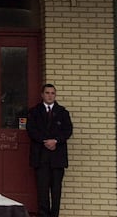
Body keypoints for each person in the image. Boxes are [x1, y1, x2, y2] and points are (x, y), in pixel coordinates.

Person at [27, 84, 73, 217]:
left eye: (53, 93)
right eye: (47, 93)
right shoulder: (34, 112)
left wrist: (56, 141)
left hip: (57, 159)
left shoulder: (63, 112)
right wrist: (45, 141)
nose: (50, 95)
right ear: (42, 95)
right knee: (42, 192)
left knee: (56, 191)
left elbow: (68, 131)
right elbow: (31, 130)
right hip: (40, 158)